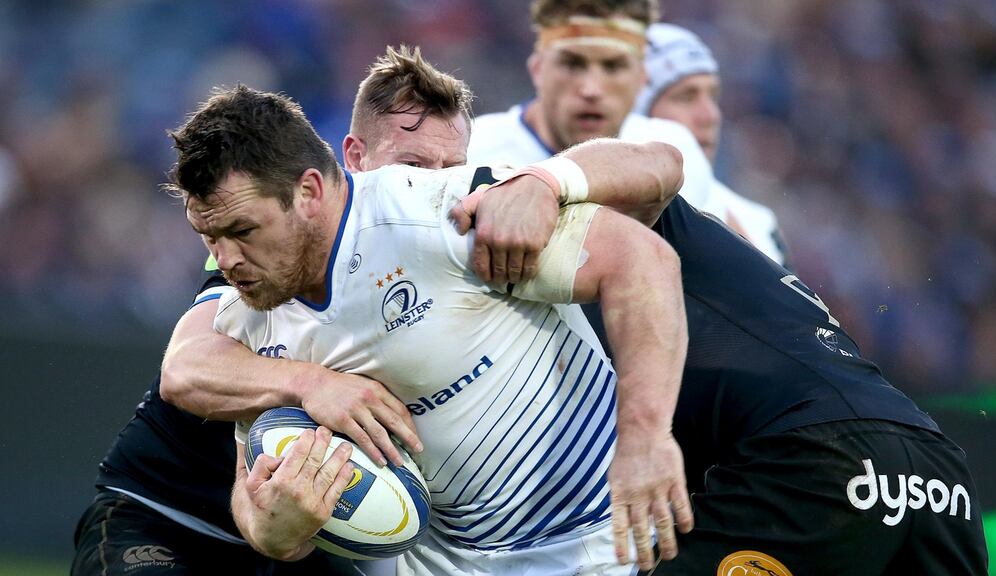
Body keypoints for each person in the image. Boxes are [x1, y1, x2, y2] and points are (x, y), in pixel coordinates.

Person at [458, 87, 990, 576]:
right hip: (939, 474)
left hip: (821, 456)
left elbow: (661, 160)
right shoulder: (722, 263)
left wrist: (542, 181)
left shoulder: (561, 210)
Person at [169, 84, 692, 575]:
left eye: (242, 231)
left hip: (606, 541)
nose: (226, 260)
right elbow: (256, 490)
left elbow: (641, 260)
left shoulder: (436, 214)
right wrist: (277, 527)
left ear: (308, 191)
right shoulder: (248, 325)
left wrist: (647, 437)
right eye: (208, 237)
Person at [71, 46, 475, 576]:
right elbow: (186, 369)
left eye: (452, 169)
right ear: (353, 161)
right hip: (169, 514)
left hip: (311, 541)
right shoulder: (272, 250)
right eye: (414, 167)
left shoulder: (458, 238)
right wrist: (312, 384)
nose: (435, 187)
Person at [467, 0, 721, 224]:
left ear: (642, 78)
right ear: (537, 69)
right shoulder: (476, 152)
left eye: (613, 66)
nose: (591, 89)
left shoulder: (679, 150)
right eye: (572, 64)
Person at [635, 22, 790, 267]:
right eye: (685, 97)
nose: (710, 116)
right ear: (637, 113)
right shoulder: (615, 214)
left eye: (713, 96)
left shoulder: (760, 221)